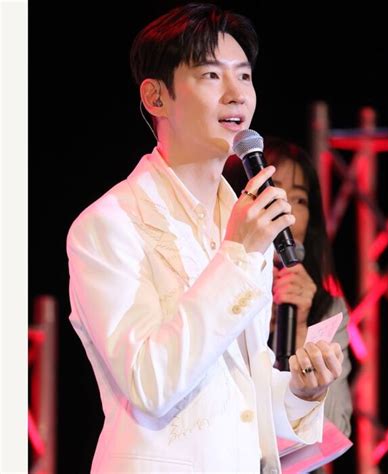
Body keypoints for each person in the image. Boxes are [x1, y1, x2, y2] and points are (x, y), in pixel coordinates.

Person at [66, 4, 345, 473]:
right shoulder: (107, 225)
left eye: (245, 76)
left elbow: (235, 399)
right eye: (212, 76)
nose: (236, 95)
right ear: (156, 97)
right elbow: (150, 383)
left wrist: (300, 392)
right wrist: (238, 255)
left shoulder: (239, 221)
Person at [224, 137, 353, 437]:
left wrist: (300, 332)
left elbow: (335, 431)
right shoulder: (216, 287)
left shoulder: (327, 310)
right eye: (273, 191)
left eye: (300, 200)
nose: (287, 210)